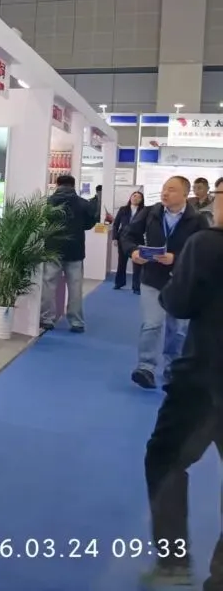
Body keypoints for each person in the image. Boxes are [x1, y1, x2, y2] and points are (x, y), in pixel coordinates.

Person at [140, 179, 223, 589]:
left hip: (205, 379)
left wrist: (175, 282)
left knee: (165, 458)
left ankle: (173, 563)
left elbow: (179, 302)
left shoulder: (207, 243)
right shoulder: (157, 217)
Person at [123, 176, 210, 389]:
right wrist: (133, 251)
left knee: (178, 329)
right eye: (164, 188)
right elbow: (128, 235)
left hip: (182, 282)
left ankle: (173, 367)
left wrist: (176, 258)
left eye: (171, 189)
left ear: (185, 194)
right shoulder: (150, 213)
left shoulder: (197, 220)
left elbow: (203, 251)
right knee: (151, 323)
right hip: (152, 278)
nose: (165, 193)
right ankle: (145, 367)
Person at [39, 174, 101, 333]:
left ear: (57, 184)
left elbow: (42, 223)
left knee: (49, 285)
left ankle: (47, 319)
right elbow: (89, 224)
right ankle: (76, 321)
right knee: (75, 287)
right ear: (73, 185)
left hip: (53, 249)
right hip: (75, 250)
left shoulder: (48, 202)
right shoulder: (83, 203)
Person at [112, 191, 146, 293]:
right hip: (123, 238)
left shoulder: (144, 211)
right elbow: (116, 224)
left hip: (137, 238)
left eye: (139, 197)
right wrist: (115, 238)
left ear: (141, 200)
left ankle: (136, 287)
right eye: (134, 196)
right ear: (130, 197)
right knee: (121, 262)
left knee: (137, 263)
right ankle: (119, 283)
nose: (136, 198)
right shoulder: (123, 209)